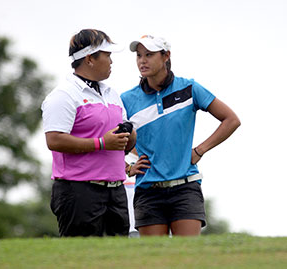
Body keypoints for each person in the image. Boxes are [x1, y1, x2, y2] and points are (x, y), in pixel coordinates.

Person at [121, 35, 241, 236]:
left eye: (149, 55)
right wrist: (126, 167)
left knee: (188, 256)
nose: (142, 60)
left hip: (186, 188)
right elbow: (110, 138)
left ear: (166, 56)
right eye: (139, 55)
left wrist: (200, 150)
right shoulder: (127, 99)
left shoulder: (189, 88)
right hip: (148, 191)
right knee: (155, 259)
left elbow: (231, 120)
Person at [41, 29, 136, 237]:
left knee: (118, 258)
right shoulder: (63, 95)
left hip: (116, 190)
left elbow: (123, 145)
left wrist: (129, 135)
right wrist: (101, 143)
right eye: (107, 55)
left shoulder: (112, 94)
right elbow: (54, 140)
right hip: (78, 191)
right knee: (82, 258)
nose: (111, 61)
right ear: (89, 59)